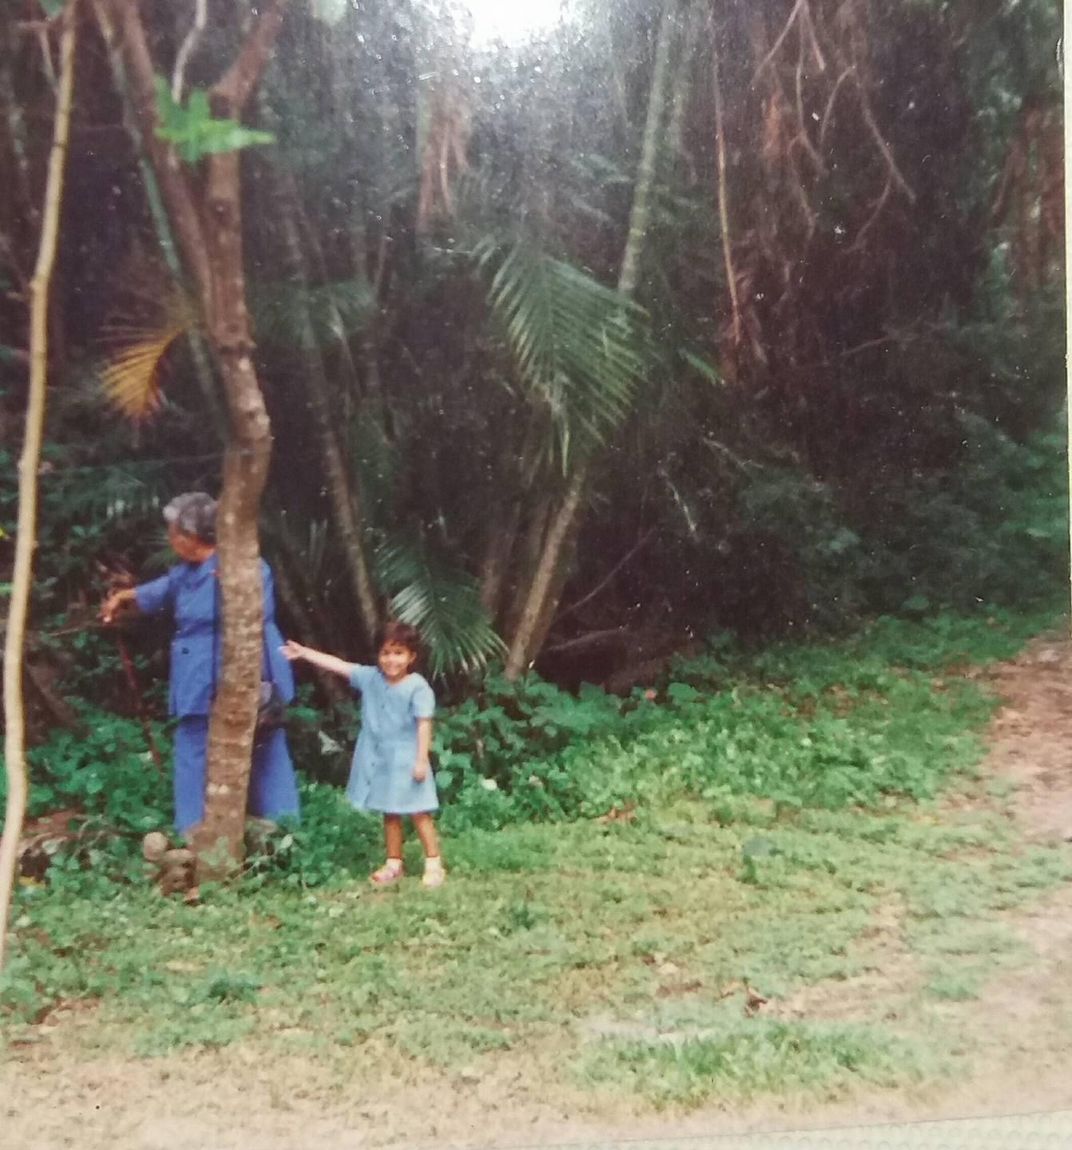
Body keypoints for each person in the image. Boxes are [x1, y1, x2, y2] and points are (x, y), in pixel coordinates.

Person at [101, 492, 301, 835]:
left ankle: (286, 831)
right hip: (196, 675)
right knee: (194, 745)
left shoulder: (244, 566)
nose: (169, 539)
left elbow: (254, 615)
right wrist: (125, 596)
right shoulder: (186, 571)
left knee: (265, 744)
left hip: (247, 669)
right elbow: (163, 588)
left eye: (173, 532)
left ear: (191, 537)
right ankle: (191, 831)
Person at [281, 622, 445, 888]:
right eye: (386, 653)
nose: (391, 660)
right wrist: (304, 653)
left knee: (418, 811)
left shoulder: (418, 687)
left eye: (399, 653)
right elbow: (338, 665)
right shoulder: (370, 678)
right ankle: (394, 863)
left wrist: (421, 759)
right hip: (379, 758)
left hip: (406, 757)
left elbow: (424, 724)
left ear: (412, 657)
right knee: (390, 812)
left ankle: (434, 863)